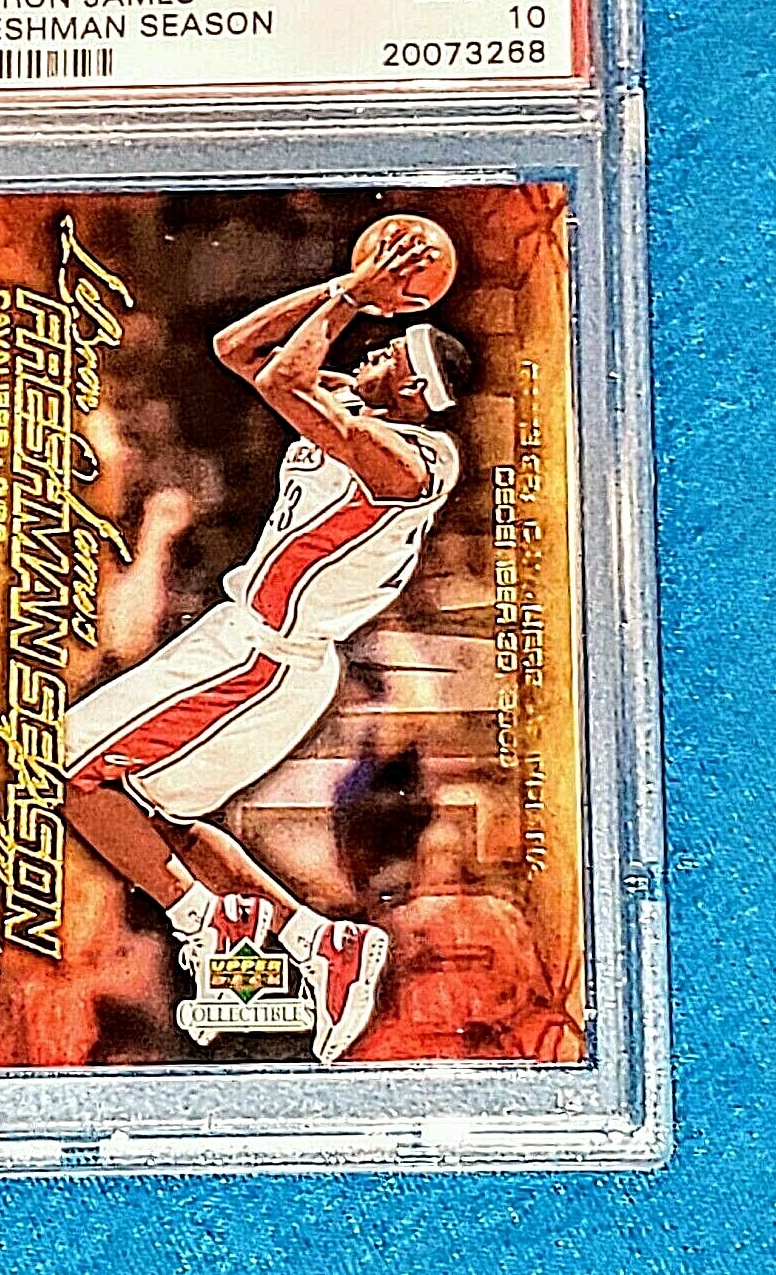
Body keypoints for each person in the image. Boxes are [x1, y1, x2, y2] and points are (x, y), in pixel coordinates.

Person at [59, 226, 469, 1064]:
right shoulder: (354, 412)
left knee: (65, 770)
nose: (372, 351)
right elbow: (238, 349)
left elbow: (283, 377)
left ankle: (198, 915)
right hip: (250, 644)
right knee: (159, 818)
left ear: (414, 390)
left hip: (263, 656)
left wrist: (352, 294)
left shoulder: (409, 461)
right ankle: (321, 944)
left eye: (390, 354)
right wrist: (343, 285)